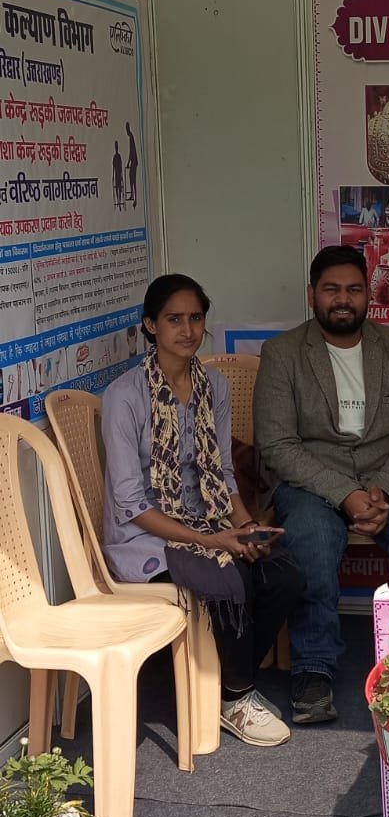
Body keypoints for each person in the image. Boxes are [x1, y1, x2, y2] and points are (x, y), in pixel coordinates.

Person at [101, 273, 304, 748]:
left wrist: (245, 527)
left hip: (206, 520)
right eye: (174, 319)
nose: (187, 330)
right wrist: (213, 541)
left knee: (284, 573)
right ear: (150, 325)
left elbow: (222, 474)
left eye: (195, 318)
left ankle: (219, 681)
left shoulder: (213, 385)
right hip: (144, 537)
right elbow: (130, 504)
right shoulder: (124, 396)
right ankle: (235, 697)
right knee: (228, 577)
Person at [254, 245, 389, 726]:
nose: (343, 299)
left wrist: (380, 492)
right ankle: (313, 670)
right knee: (312, 538)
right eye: (331, 289)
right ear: (312, 295)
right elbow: (277, 444)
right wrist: (345, 494)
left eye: (353, 290)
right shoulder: (282, 353)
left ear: (368, 295)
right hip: (312, 482)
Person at [125, 123, 139, 206]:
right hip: (134, 161)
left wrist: (128, 162)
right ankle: (133, 195)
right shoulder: (131, 136)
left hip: (134, 161)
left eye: (126, 129)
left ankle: (134, 197)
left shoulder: (131, 137)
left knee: (133, 179)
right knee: (132, 178)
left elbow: (131, 151)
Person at [112, 141, 124, 210]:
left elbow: (121, 166)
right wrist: (113, 175)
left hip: (119, 173)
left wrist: (121, 175)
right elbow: (113, 167)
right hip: (116, 174)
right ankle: (118, 201)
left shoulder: (119, 156)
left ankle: (119, 200)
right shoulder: (115, 157)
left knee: (120, 188)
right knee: (117, 187)